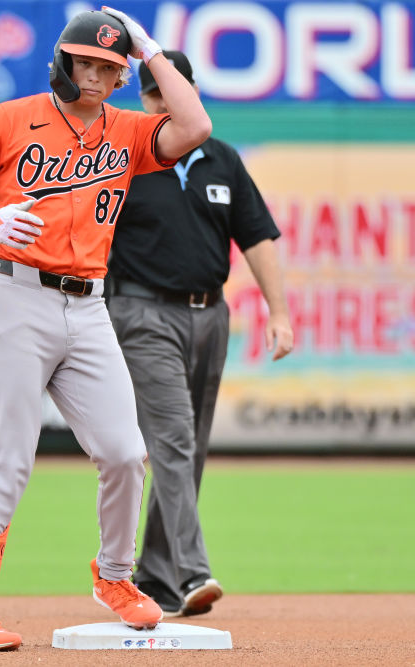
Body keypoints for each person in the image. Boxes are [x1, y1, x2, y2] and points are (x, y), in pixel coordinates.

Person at [0, 8, 211, 652]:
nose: (98, 76)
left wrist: (150, 51)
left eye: (110, 66)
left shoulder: (127, 130)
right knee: (9, 455)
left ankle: (115, 577)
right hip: (17, 298)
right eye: (87, 62)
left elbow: (195, 127)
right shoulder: (10, 119)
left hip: (89, 306)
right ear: (63, 62)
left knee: (124, 451)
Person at [106, 51, 294, 617]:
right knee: (173, 441)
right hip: (142, 312)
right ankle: (192, 571)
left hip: (210, 314)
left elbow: (256, 236)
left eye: (177, 89)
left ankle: (157, 579)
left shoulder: (222, 160)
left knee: (189, 449)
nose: (167, 100)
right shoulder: (123, 159)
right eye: (157, 92)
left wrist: (279, 312)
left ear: (192, 91)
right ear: (145, 99)